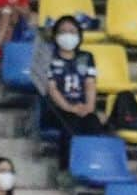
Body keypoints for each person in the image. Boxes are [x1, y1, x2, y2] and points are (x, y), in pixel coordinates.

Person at [45, 15, 106, 173]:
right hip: (57, 109)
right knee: (71, 125)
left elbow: (90, 83)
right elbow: (52, 89)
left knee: (93, 123)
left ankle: (93, 166)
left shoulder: (87, 57)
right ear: (55, 35)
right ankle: (65, 169)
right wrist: (69, 108)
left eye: (72, 31)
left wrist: (89, 107)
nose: (67, 35)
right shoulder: (48, 57)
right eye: (63, 31)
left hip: (82, 106)